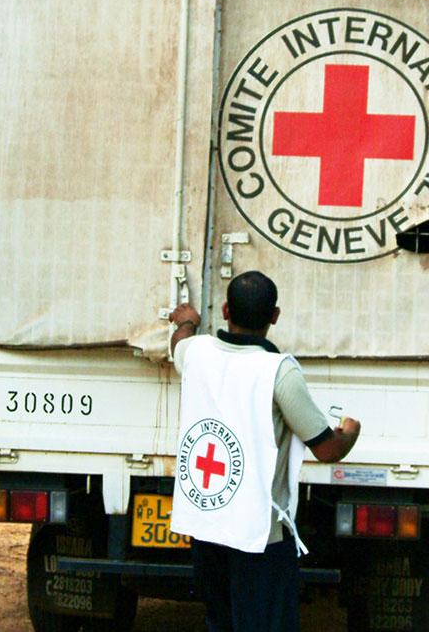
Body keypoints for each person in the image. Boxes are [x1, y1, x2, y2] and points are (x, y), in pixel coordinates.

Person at [168, 270, 361, 632]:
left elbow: (179, 343)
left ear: (225, 310)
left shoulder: (196, 353)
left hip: (208, 529)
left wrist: (187, 321)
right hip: (260, 536)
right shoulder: (278, 372)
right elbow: (327, 449)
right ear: (275, 316)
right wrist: (351, 432)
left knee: (221, 622)